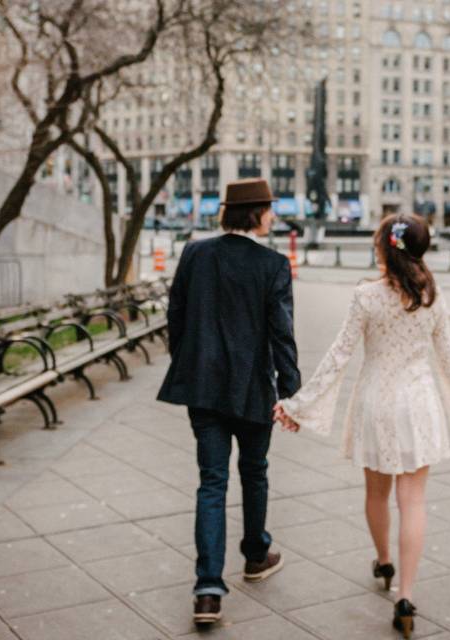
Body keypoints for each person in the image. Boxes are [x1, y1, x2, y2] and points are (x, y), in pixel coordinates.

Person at [276, 214, 450, 639]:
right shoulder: (432, 295)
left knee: (376, 493)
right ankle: (405, 596)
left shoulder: (366, 296)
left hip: (377, 404)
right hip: (419, 404)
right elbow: (449, 360)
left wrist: (299, 405)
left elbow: (339, 355)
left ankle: (384, 560)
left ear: (384, 247)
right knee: (414, 501)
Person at [157, 178, 301, 626]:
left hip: (202, 386)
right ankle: (255, 555)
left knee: (212, 482)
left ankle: (207, 589)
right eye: (269, 209)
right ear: (258, 214)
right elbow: (282, 332)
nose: (273, 216)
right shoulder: (273, 264)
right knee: (254, 473)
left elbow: (176, 314)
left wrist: (186, 360)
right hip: (253, 389)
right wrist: (291, 392)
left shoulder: (195, 254)